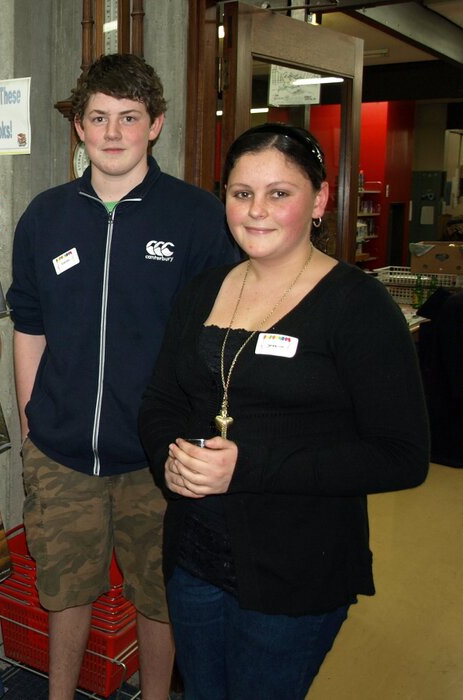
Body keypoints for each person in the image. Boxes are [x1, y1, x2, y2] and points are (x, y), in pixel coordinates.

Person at [138, 123, 430, 699]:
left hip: (297, 569)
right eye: (242, 193)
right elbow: (162, 401)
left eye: (280, 193)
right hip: (193, 558)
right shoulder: (203, 290)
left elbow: (402, 457)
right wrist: (168, 457)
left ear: (319, 199)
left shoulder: (358, 306)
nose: (256, 211)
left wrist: (249, 467)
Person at [7, 53, 238, 700]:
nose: (112, 133)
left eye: (128, 118)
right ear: (77, 127)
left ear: (155, 125)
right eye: (98, 118)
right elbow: (28, 324)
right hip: (61, 451)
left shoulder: (196, 219)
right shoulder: (45, 217)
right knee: (65, 588)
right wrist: (31, 420)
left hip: (159, 457)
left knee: (159, 595)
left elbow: (216, 339)